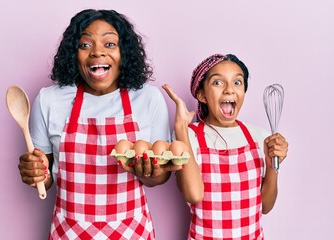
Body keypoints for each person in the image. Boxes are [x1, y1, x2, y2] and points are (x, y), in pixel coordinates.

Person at [18, 9, 182, 240]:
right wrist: (35, 173)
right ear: (73, 53)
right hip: (70, 231)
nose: (97, 52)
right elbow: (45, 176)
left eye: (110, 44)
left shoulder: (148, 98)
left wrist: (151, 173)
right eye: (85, 45)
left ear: (124, 52)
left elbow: (159, 178)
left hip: (131, 230)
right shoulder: (49, 100)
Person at [163, 53, 289, 239]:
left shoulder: (259, 137)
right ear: (202, 95)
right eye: (218, 82)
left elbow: (265, 207)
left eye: (237, 83)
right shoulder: (189, 135)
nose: (230, 90)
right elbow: (193, 195)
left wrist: (273, 166)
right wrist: (181, 127)